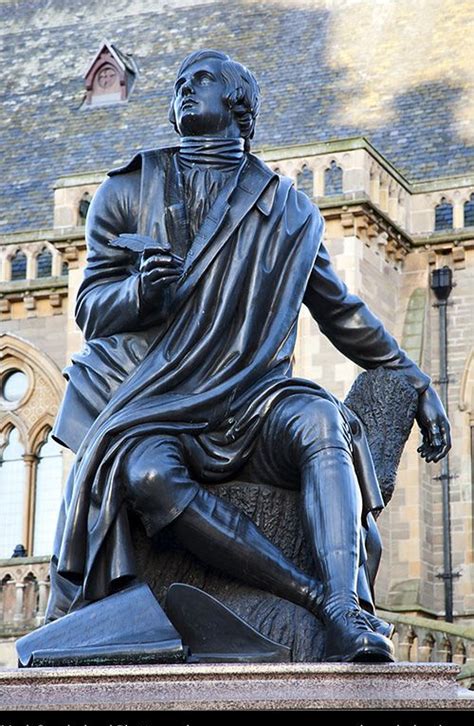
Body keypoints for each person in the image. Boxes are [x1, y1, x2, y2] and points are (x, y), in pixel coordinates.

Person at [46, 50, 450, 662]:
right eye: (179, 84)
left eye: (200, 80)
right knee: (148, 475)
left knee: (321, 422)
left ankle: (347, 606)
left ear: (239, 104)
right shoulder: (127, 190)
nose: (183, 90)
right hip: (155, 403)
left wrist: (409, 372)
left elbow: (340, 311)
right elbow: (91, 308)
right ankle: (314, 596)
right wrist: (141, 292)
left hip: (251, 400)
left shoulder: (289, 210)